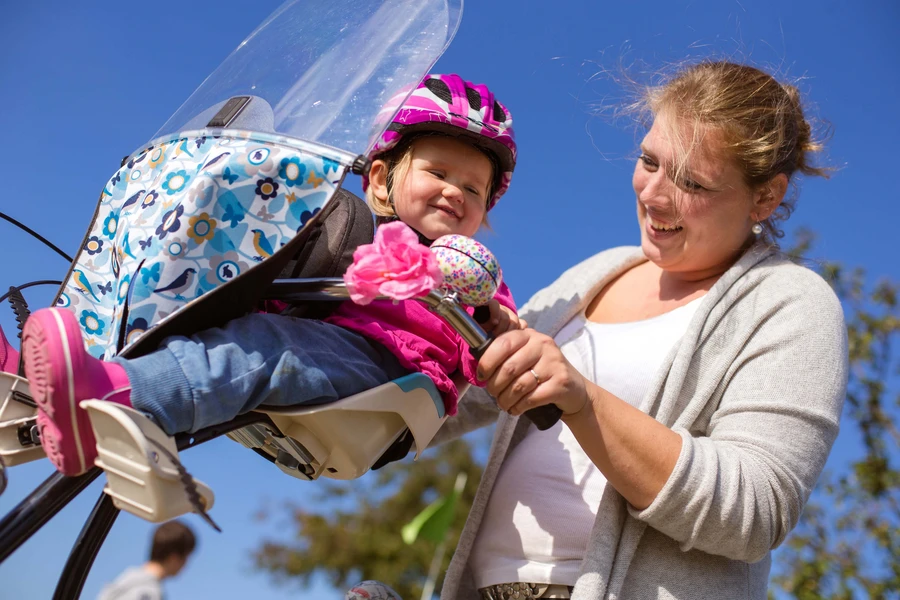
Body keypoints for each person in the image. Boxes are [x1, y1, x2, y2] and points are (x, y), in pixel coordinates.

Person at [433, 61, 848, 600]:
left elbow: (754, 511)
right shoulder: (598, 271)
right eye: (649, 160)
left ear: (766, 197)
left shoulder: (789, 302)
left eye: (691, 182)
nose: (653, 194)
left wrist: (583, 401)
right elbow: (446, 401)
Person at [20, 73, 524, 478]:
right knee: (210, 287)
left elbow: (497, 343)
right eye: (439, 173)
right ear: (379, 180)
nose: (455, 192)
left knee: (265, 346)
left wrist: (497, 322)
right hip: (325, 337)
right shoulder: (357, 232)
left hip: (392, 375)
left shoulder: (470, 269)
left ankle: (117, 398)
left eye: (473, 189)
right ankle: (39, 377)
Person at [97, 520, 196, 600]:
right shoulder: (148, 592)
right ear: (173, 558)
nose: (186, 565)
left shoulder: (127, 579)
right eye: (186, 557)